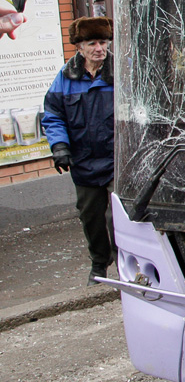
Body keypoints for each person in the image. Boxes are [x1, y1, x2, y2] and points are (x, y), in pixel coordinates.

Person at [41, 17, 116, 284]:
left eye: (103, 42)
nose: (99, 48)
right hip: (84, 161)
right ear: (80, 47)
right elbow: (53, 116)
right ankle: (99, 263)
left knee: (117, 216)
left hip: (115, 160)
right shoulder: (65, 78)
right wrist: (59, 146)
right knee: (91, 217)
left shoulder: (119, 73)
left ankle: (126, 263)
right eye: (92, 43)